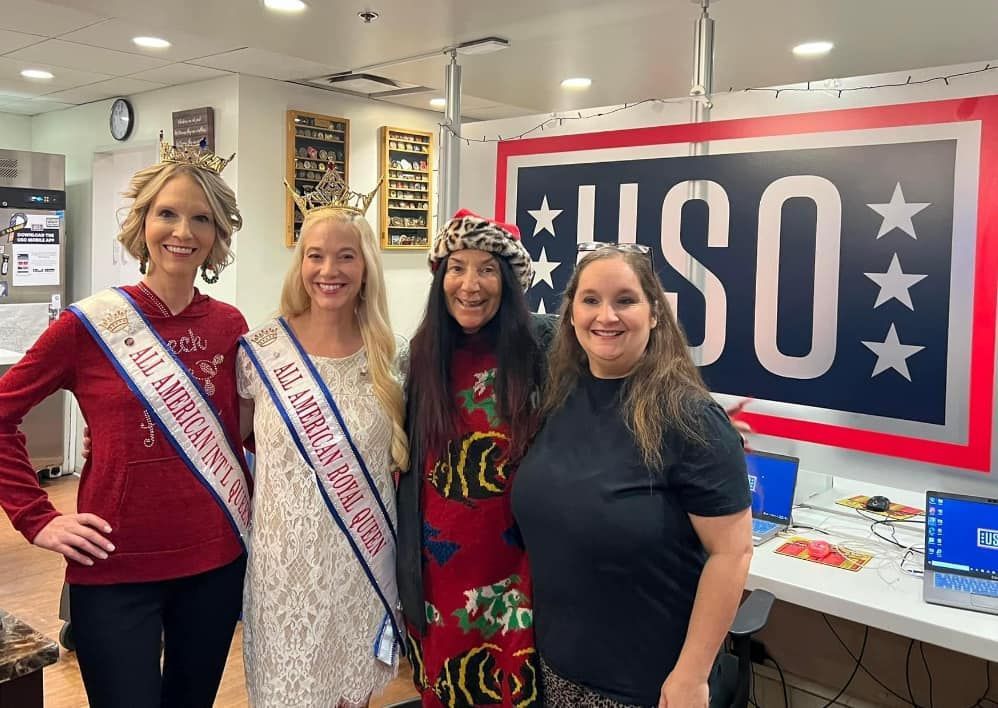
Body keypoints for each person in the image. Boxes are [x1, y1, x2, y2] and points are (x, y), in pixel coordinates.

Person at [0, 140, 250, 708]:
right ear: (143, 224)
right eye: (167, 212)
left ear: (216, 236)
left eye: (201, 218)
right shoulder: (87, 326)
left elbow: (248, 433)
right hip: (114, 570)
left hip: (213, 564)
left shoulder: (229, 325)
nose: (182, 230)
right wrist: (35, 518)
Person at [511, 244, 754, 708]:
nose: (606, 315)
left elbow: (733, 551)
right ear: (570, 315)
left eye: (625, 300)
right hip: (552, 672)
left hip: (645, 687)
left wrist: (691, 676)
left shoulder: (690, 418)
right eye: (590, 300)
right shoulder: (556, 398)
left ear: (655, 313)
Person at [237, 173, 408, 707]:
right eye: (315, 256)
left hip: (360, 566)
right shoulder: (260, 351)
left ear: (366, 267)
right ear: (300, 264)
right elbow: (228, 442)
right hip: (280, 574)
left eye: (345, 257)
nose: (329, 271)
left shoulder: (392, 357)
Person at [396, 209, 550, 707]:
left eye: (487, 269)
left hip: (517, 574)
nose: (470, 284)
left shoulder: (540, 354)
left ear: (507, 281)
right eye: (457, 267)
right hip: (437, 575)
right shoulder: (420, 356)